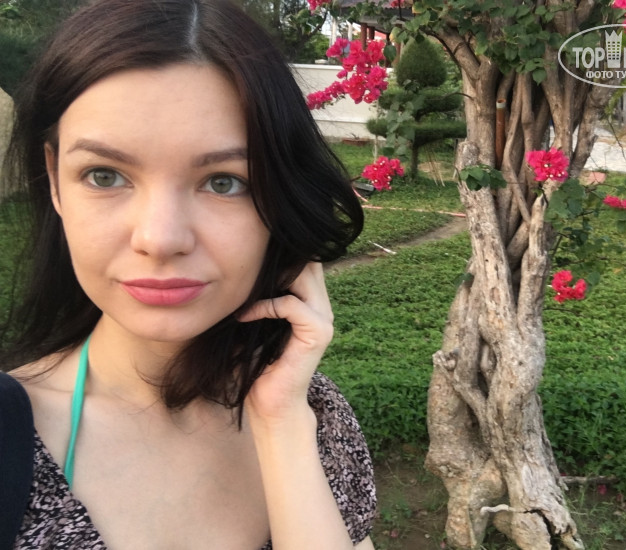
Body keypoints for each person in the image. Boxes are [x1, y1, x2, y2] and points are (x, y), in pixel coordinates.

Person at [0, 0, 376, 548]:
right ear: (55, 179)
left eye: (225, 182)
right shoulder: (12, 438)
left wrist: (283, 427)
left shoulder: (314, 414)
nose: (160, 239)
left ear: (279, 199)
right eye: (104, 175)